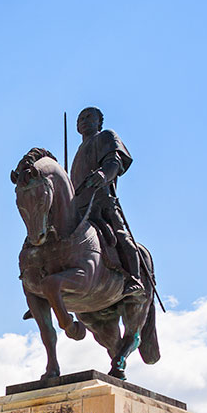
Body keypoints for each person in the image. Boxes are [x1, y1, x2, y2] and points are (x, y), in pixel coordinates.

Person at [70, 107, 145, 300]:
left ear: (99, 122)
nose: (84, 120)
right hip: (78, 207)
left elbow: (114, 162)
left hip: (101, 201)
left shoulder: (105, 136)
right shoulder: (78, 152)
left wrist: (104, 174)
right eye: (80, 118)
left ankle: (135, 278)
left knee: (120, 235)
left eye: (89, 116)